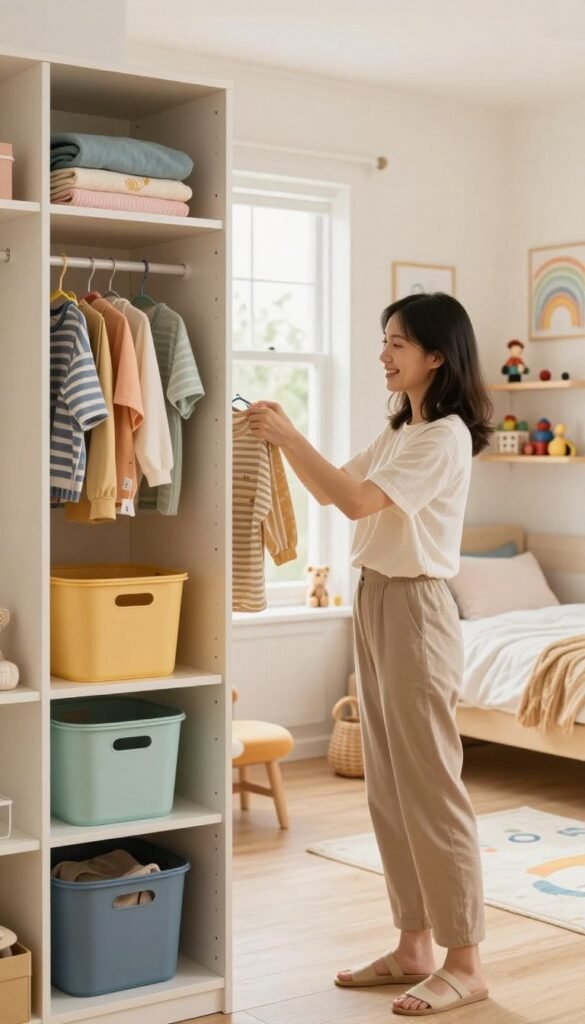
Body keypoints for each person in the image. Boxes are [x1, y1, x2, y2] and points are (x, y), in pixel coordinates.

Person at [246, 291, 494, 1017]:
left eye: (395, 343)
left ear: (435, 355)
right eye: (382, 340)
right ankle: (414, 944)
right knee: (387, 786)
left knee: (430, 786)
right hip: (376, 598)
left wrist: (288, 435)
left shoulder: (441, 436)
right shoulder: (401, 430)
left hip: (416, 609)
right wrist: (275, 439)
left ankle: (466, 960)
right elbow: (336, 491)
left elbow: (355, 503)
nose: (381, 355)